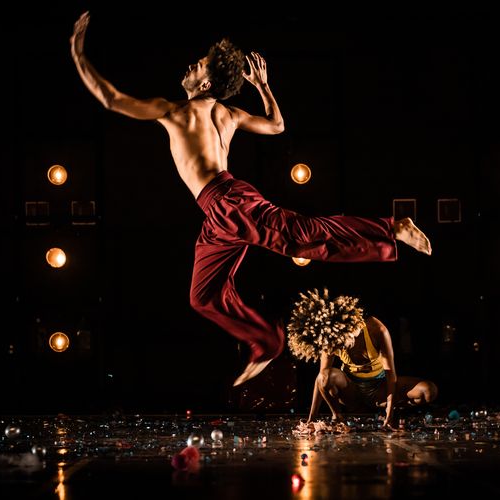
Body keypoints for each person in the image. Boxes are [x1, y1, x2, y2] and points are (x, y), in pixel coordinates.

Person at [70, 12, 432, 387]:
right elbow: (276, 124)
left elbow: (111, 100)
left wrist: (79, 56)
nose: (190, 65)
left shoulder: (175, 110)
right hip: (217, 214)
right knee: (203, 295)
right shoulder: (227, 113)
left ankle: (392, 227)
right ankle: (265, 341)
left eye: (198, 65)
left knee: (303, 236)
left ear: (206, 81)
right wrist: (263, 86)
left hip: (230, 202)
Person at [287, 289, 438, 429]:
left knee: (428, 391)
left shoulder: (377, 330)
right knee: (326, 376)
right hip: (351, 391)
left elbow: (390, 374)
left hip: (379, 388)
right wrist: (312, 418)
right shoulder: (331, 336)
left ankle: (389, 411)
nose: (342, 345)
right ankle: (338, 417)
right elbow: (321, 378)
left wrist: (390, 411)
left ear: (351, 326)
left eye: (344, 339)